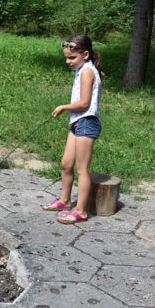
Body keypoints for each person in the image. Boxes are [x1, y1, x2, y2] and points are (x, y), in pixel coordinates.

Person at [41, 34, 103, 224]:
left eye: (72, 58)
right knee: (66, 164)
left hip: (87, 121)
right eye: (66, 57)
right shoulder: (82, 69)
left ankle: (81, 211)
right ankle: (65, 200)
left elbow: (84, 103)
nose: (68, 61)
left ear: (85, 54)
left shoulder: (87, 72)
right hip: (77, 122)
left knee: (82, 169)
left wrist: (63, 107)